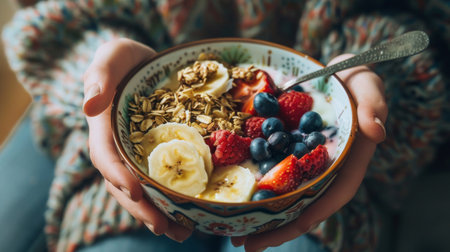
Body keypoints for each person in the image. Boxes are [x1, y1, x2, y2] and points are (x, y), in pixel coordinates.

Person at [1, 0, 448, 252]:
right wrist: (95, 70)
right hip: (120, 132)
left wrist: (373, 71)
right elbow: (64, 16)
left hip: (328, 167)